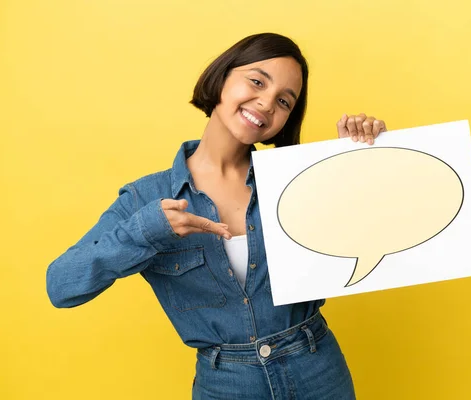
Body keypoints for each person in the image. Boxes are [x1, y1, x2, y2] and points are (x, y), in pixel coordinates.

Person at [46, 32, 387, 399]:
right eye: (257, 81)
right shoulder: (146, 198)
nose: (267, 103)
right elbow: (61, 286)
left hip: (317, 371)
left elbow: (361, 248)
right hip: (226, 384)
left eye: (284, 101)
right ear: (223, 77)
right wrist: (146, 232)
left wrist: (353, 165)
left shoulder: (295, 180)